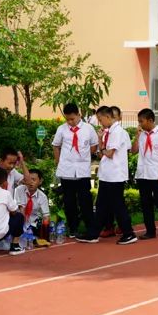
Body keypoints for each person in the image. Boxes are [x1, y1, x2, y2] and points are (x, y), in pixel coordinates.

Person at [80, 106, 137, 244]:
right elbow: (101, 153)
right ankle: (93, 233)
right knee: (101, 205)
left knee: (117, 205)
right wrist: (100, 140)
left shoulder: (117, 132)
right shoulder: (109, 132)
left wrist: (103, 147)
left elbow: (110, 153)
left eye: (100, 119)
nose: (100, 122)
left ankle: (129, 233)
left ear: (107, 117)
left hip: (115, 175)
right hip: (107, 174)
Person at [52, 103, 99, 240]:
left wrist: (84, 157)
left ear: (79, 115)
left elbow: (94, 145)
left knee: (85, 201)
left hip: (82, 171)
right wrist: (59, 161)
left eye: (72, 119)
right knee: (69, 202)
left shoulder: (88, 129)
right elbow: (56, 146)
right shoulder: (62, 129)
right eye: (68, 119)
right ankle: (73, 228)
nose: (70, 122)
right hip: (67, 171)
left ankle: (90, 228)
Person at [132, 108, 158, 239]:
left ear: (150, 120)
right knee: (146, 203)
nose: (139, 124)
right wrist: (137, 136)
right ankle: (150, 231)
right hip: (143, 174)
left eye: (141, 121)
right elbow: (133, 151)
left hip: (156, 174)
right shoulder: (142, 134)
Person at [14, 169, 50, 244]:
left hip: (32, 225)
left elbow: (46, 216)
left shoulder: (42, 196)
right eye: (29, 179)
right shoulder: (18, 190)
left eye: (33, 180)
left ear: (40, 181)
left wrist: (46, 234)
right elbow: (21, 209)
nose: (30, 182)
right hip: (18, 223)